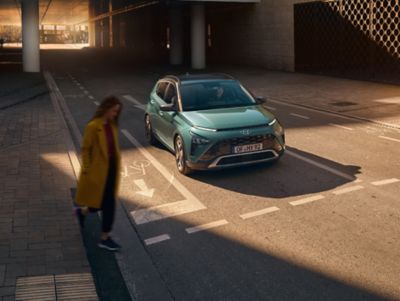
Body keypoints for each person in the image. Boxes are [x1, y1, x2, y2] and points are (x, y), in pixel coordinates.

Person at [75, 96, 122, 251]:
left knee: (101, 203)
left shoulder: (112, 125)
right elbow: (86, 149)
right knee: (109, 205)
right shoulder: (93, 126)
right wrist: (87, 169)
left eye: (117, 111)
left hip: (111, 169)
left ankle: (82, 212)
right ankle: (104, 238)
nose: (115, 114)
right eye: (114, 111)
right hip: (98, 171)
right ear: (106, 108)